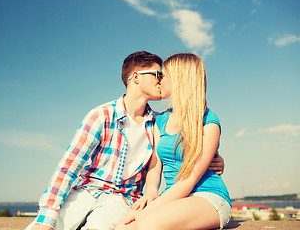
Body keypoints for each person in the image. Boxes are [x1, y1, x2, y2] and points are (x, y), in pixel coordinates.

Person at [26, 51, 225, 230]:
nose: (160, 80)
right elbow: (68, 168)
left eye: (163, 76)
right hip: (88, 191)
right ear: (135, 77)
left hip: (125, 199)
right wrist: (45, 219)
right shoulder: (106, 116)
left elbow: (187, 152)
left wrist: (213, 157)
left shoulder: (158, 121)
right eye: (157, 74)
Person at [115, 53, 231, 230]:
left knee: (147, 224)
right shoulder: (160, 120)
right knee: (123, 227)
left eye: (162, 75)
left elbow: (189, 181)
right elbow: (155, 164)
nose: (158, 80)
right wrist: (152, 192)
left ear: (178, 79)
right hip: (173, 198)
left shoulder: (208, 121)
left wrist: (142, 213)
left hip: (207, 196)